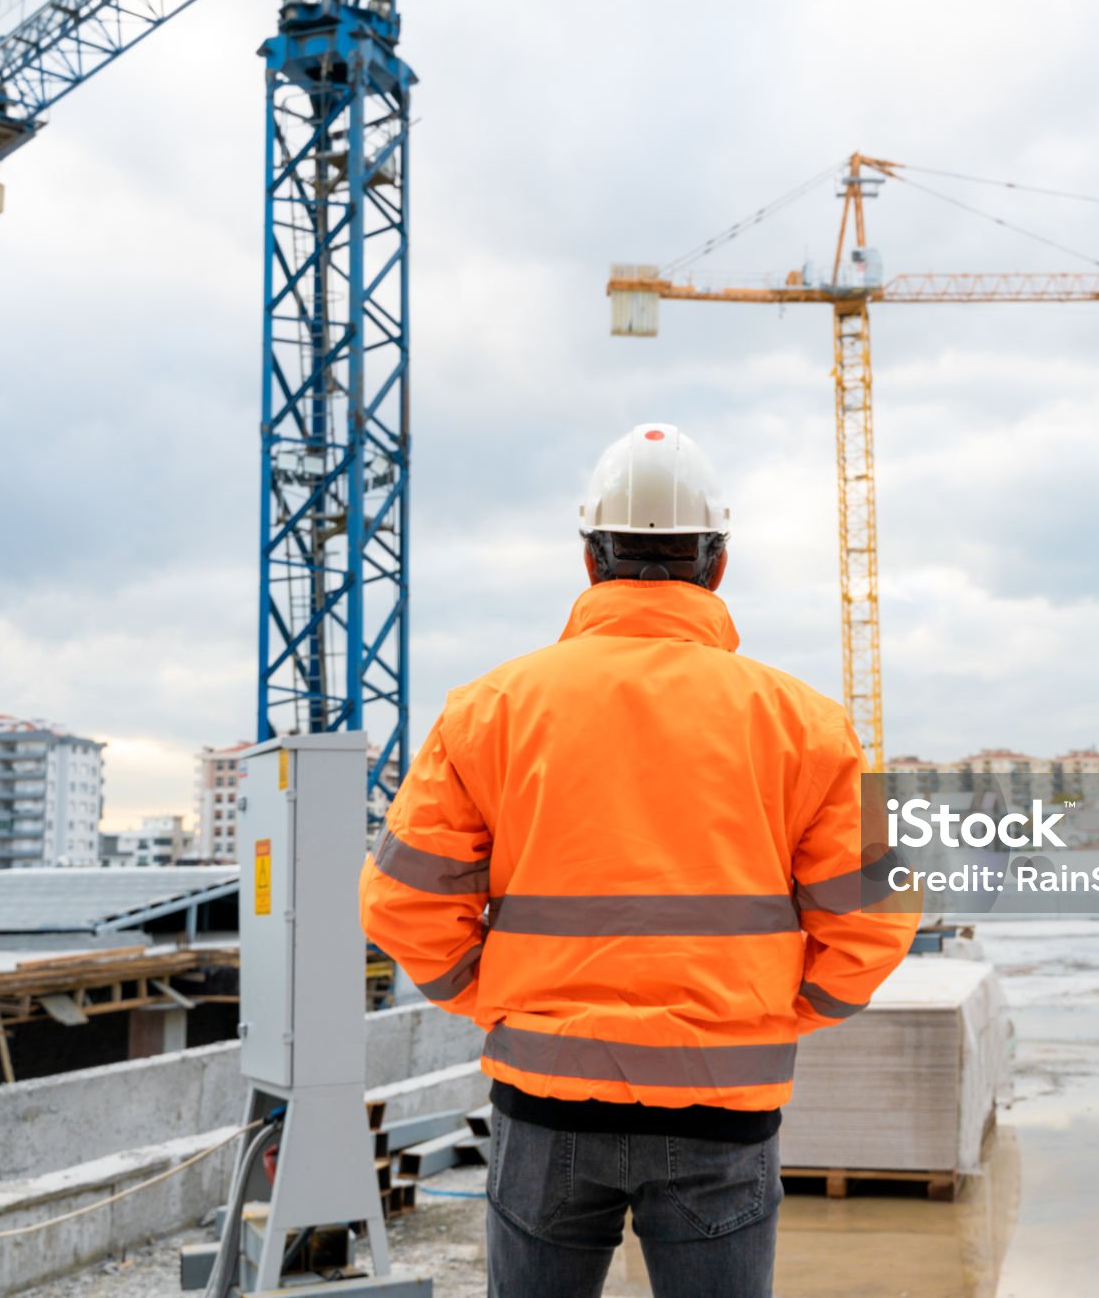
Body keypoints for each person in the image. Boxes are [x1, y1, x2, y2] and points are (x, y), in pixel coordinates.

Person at [359, 423, 919, 1297]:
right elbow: (878, 914)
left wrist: (499, 1002)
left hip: (543, 1100)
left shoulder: (491, 709)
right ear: (717, 563)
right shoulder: (805, 721)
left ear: (590, 561)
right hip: (722, 1106)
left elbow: (401, 899)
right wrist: (779, 1013)